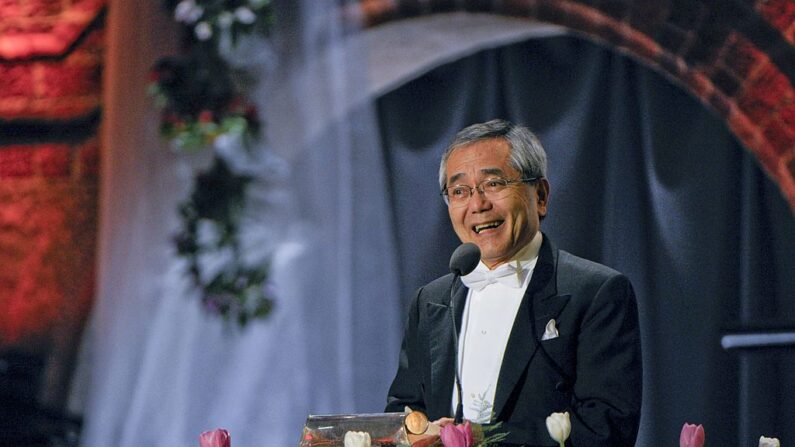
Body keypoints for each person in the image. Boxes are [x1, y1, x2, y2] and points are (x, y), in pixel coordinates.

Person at [385, 119, 642, 446]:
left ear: (541, 196)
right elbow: (405, 410)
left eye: (494, 184)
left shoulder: (595, 294)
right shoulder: (430, 302)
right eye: (460, 191)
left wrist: (474, 439)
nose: (477, 205)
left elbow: (607, 428)